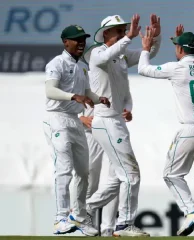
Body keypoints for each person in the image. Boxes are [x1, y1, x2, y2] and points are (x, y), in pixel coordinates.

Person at [83, 14, 161, 237]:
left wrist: (155, 38)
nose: (122, 32)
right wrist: (128, 37)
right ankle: (124, 224)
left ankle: (81, 212)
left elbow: (149, 54)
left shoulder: (122, 55)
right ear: (106, 33)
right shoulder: (95, 53)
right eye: (117, 30)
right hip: (105, 121)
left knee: (119, 177)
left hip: (116, 120)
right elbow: (108, 54)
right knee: (131, 174)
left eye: (123, 29)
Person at [138, 26, 194, 236]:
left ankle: (191, 211)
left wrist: (146, 49)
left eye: (176, 45)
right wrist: (183, 38)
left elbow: (143, 69)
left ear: (181, 50)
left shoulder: (176, 68)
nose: (175, 48)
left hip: (191, 129)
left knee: (171, 174)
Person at [43, 24, 110, 236]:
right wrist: (73, 97)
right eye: (76, 39)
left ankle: (79, 218)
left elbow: (87, 91)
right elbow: (50, 90)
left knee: (83, 172)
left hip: (75, 121)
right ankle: (60, 218)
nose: (81, 42)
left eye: (83, 39)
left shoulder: (81, 66)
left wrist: (99, 99)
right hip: (58, 119)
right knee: (64, 169)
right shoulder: (57, 63)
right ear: (65, 42)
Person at [77, 107, 119, 236]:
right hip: (90, 134)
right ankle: (86, 225)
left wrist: (125, 112)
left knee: (114, 179)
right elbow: (67, 104)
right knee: (90, 182)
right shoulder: (82, 86)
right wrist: (80, 118)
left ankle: (108, 229)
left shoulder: (116, 86)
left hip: (113, 133)